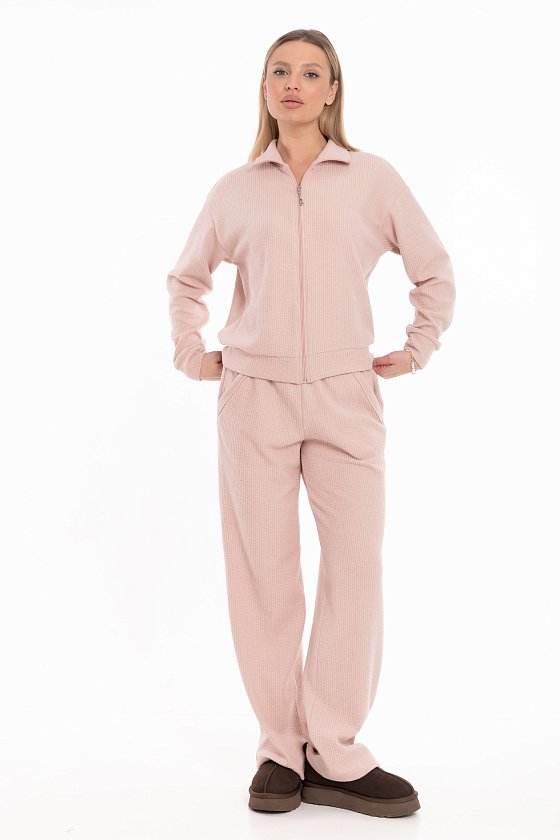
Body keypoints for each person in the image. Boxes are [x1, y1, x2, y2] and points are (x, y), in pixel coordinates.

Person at [166, 28, 455, 819]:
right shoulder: (234, 190)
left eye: (310, 72)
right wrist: (194, 353)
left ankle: (335, 750)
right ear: (265, 88)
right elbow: (186, 280)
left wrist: (419, 346)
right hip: (253, 395)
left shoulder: (372, 179)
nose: (293, 83)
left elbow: (433, 269)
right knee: (265, 577)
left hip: (344, 393)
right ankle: (278, 747)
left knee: (355, 568)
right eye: (280, 71)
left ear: (332, 90)